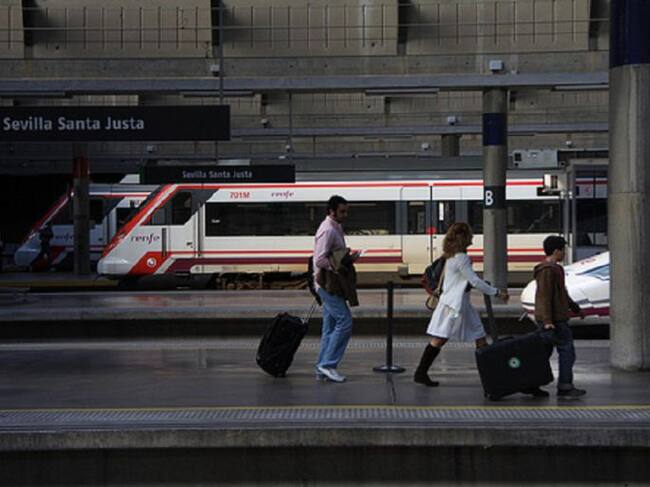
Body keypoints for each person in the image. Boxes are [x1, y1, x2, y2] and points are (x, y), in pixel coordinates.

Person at [414, 222, 509, 388]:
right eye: (470, 235)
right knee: (441, 339)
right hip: (454, 306)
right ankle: (421, 372)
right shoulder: (462, 258)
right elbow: (474, 281)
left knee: (478, 337)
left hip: (459, 304)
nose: (472, 237)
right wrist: (497, 292)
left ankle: (492, 375)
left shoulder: (450, 256)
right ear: (464, 238)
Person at [312, 195, 360, 383]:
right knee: (345, 322)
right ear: (331, 211)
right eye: (342, 211)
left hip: (330, 284)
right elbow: (320, 260)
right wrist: (338, 265)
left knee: (330, 328)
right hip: (327, 284)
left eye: (346, 211)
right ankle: (328, 365)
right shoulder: (328, 230)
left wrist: (348, 257)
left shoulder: (336, 227)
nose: (345, 215)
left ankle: (321, 369)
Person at [534, 235, 586, 399]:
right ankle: (565, 387)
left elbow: (561, 293)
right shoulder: (547, 270)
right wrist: (548, 321)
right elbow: (545, 296)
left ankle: (531, 384)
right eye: (563, 250)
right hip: (554, 320)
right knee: (567, 352)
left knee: (542, 354)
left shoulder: (555, 269)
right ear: (557, 251)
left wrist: (575, 308)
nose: (564, 253)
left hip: (553, 318)